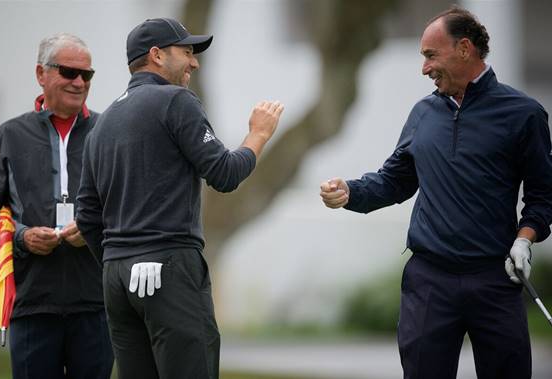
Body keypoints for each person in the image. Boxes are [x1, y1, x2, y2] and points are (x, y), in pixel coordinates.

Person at [320, 6, 552, 379]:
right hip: (429, 281)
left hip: (495, 278)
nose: (424, 68)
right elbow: (395, 181)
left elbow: (543, 197)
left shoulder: (524, 114)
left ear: (464, 49)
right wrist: (349, 191)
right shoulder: (423, 113)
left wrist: (525, 240)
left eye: (431, 55)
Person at [75, 17, 284, 379]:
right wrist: (259, 135)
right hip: (167, 270)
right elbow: (225, 174)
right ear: (156, 55)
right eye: (186, 52)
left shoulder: (101, 123)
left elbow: (87, 215)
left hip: (117, 280)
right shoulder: (176, 101)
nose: (194, 61)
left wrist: (118, 260)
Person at [0, 33, 113, 379]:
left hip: (97, 305)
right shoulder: (8, 136)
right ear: (41, 74)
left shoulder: (109, 132)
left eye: (87, 75)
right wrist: (21, 236)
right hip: (32, 305)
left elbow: (133, 210)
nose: (79, 82)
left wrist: (93, 228)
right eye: (68, 72)